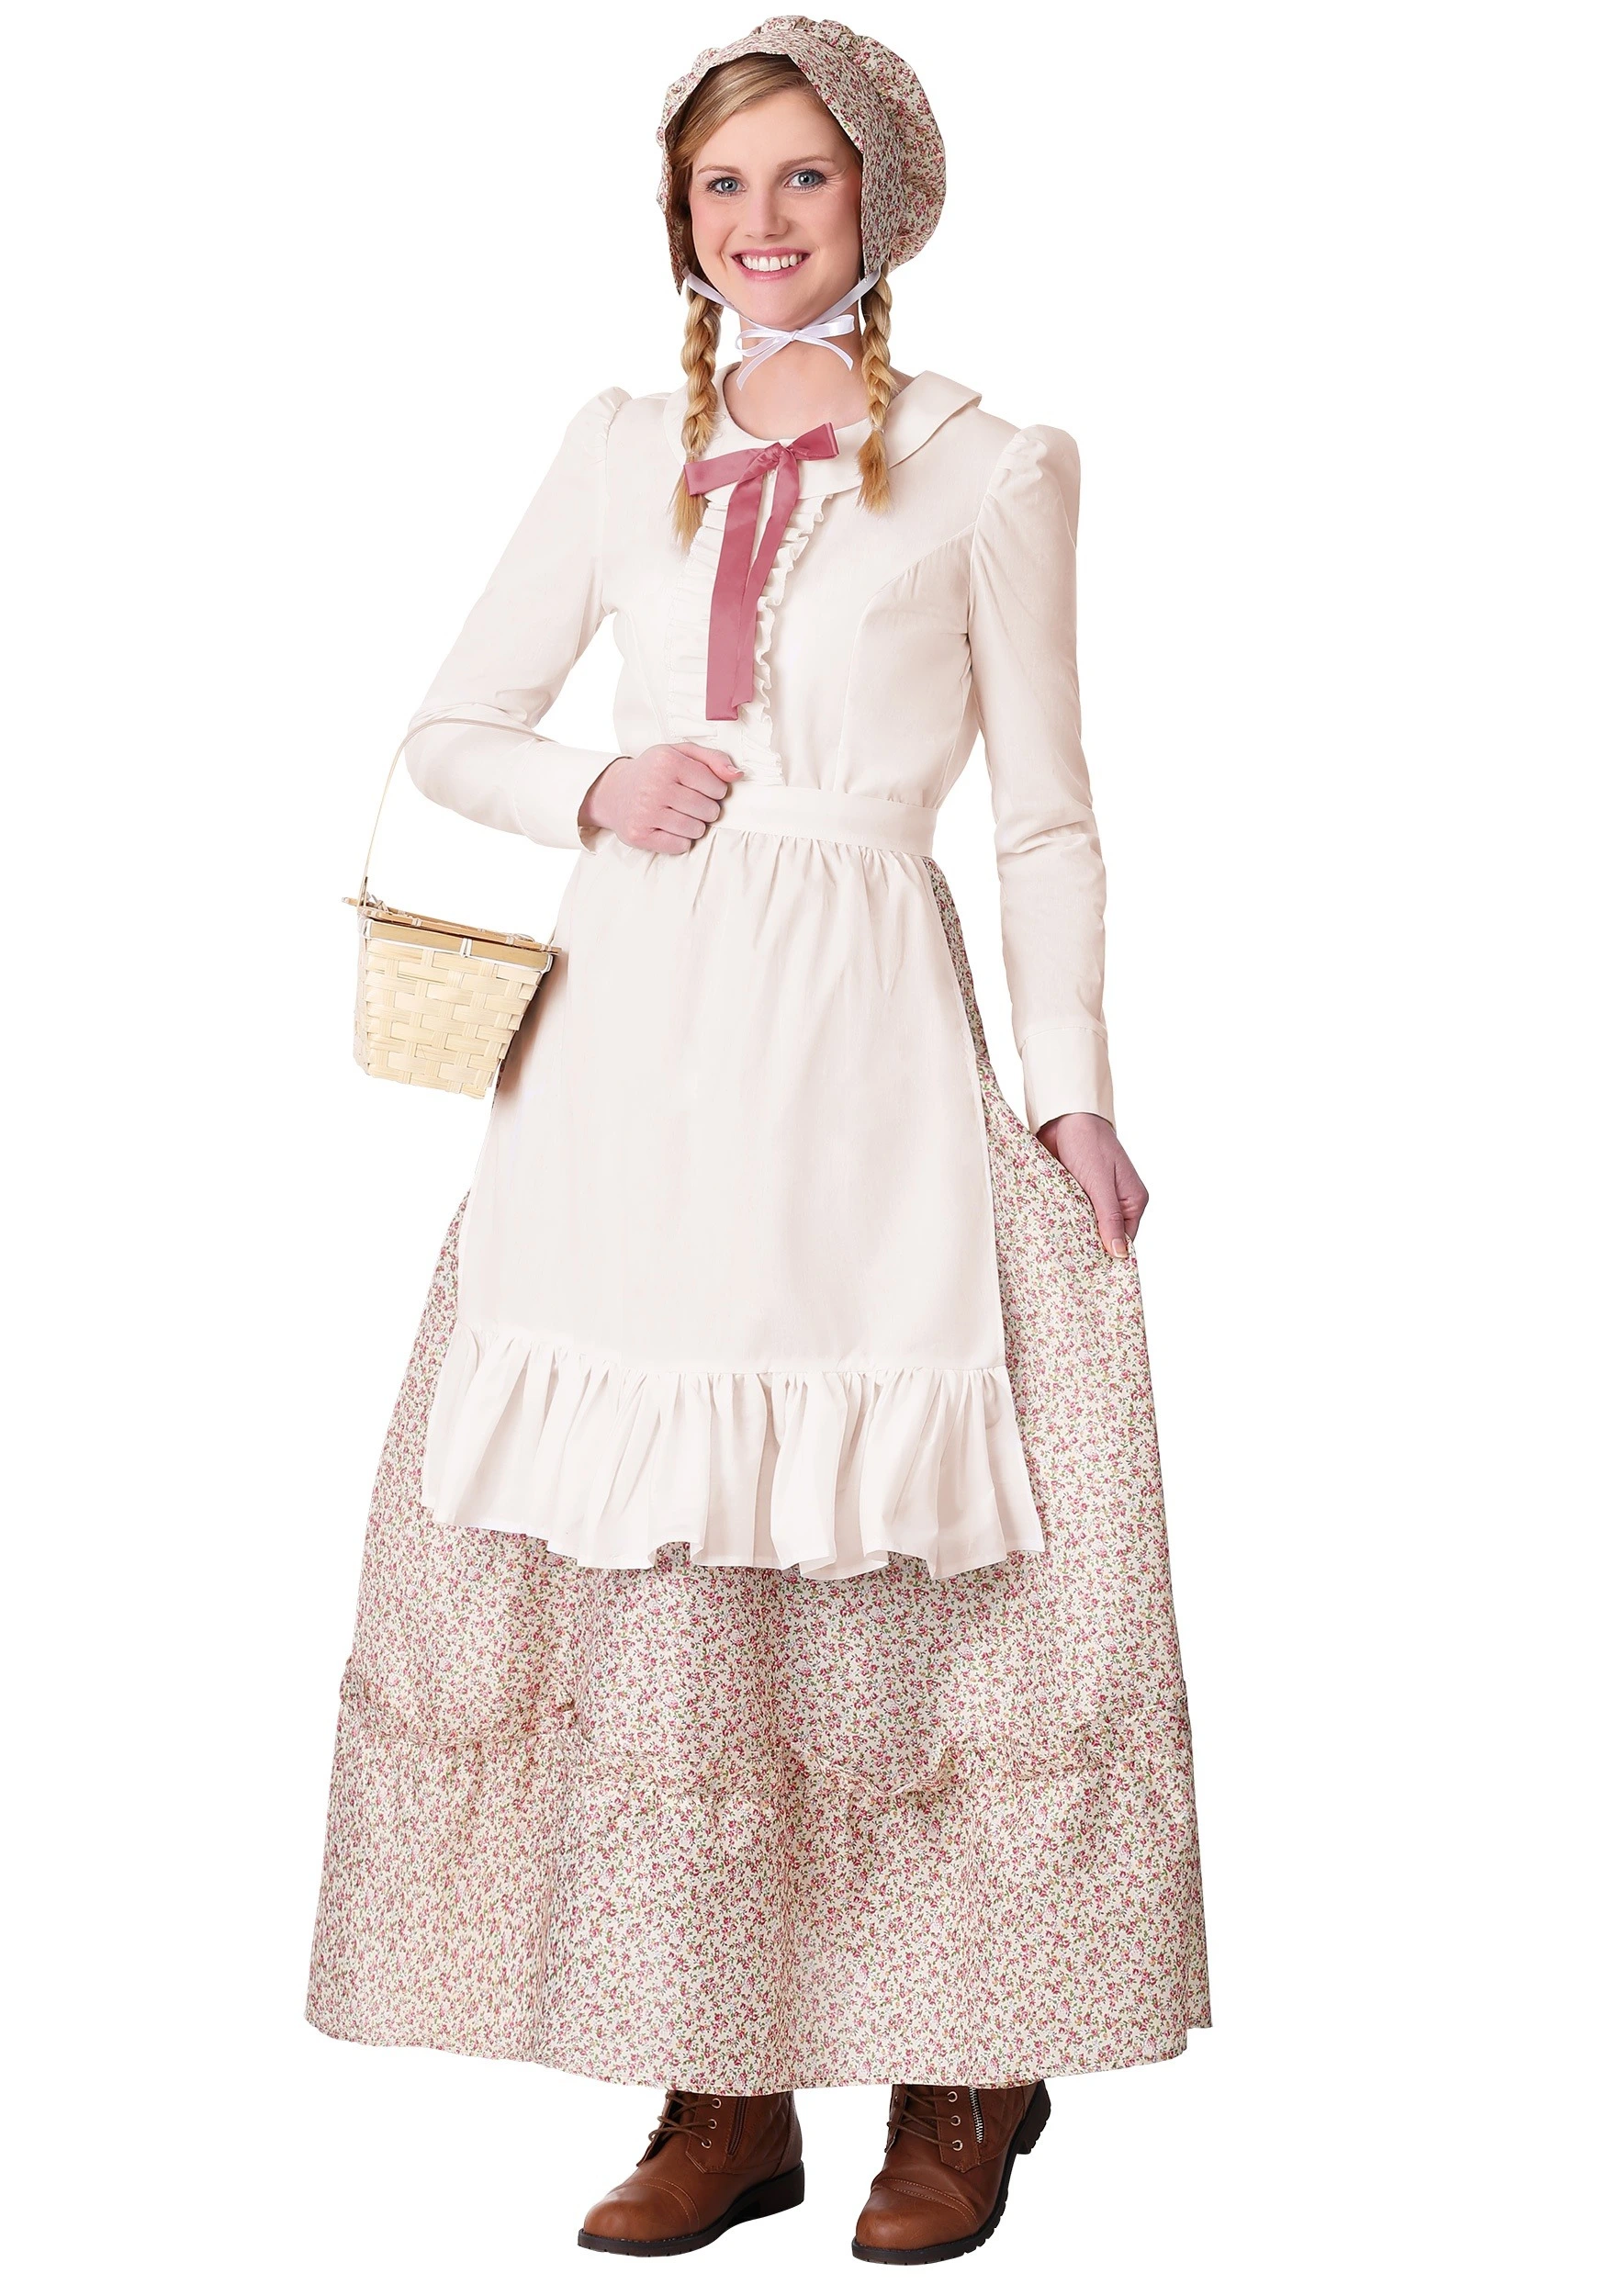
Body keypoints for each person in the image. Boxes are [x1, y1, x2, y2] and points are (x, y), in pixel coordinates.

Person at [307, 15, 1208, 2267]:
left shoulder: (988, 464)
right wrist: (589, 786)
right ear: (677, 218)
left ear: (880, 200)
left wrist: (1072, 1079)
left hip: (857, 1034)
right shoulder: (623, 446)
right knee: (668, 1557)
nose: (760, 221)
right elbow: (450, 726)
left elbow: (1045, 812)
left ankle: (962, 2068)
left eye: (802, 177)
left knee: (888, 1557)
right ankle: (718, 2084)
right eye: (722, 185)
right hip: (632, 1041)